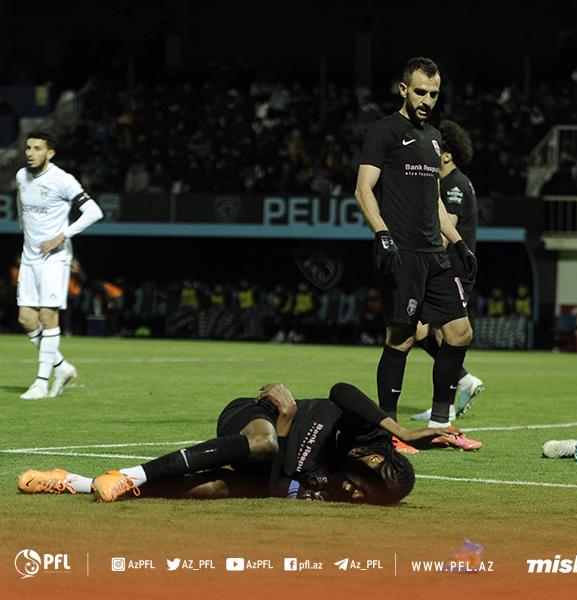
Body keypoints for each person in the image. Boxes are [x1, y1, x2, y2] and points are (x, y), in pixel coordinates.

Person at [18, 382, 456, 505]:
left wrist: (289, 421)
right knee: (263, 443)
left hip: (272, 440)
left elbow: (277, 482)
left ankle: (73, 481)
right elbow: (342, 390)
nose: (356, 495)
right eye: (366, 488)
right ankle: (128, 475)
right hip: (251, 416)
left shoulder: (337, 486)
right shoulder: (372, 434)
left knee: (214, 487)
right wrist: (401, 431)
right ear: (374, 459)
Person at [354, 57, 481, 451]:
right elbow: (363, 188)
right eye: (421, 92)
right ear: (404, 90)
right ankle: (388, 432)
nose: (427, 100)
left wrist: (458, 243)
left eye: (434, 94)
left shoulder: (434, 138)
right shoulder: (384, 131)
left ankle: (441, 424)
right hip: (401, 251)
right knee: (402, 339)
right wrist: (382, 233)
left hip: (434, 254)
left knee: (460, 332)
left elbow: (435, 203)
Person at [16, 130, 103, 399]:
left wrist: (62, 236)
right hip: (30, 257)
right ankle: (62, 367)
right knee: (26, 319)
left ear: (50, 153)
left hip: (55, 259)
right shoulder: (21, 176)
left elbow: (94, 212)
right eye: (28, 147)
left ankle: (41, 383)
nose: (30, 153)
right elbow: (22, 206)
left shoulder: (63, 180)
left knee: (47, 316)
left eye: (37, 148)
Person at [411, 120, 484, 422]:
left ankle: (447, 405)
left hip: (452, 271)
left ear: (448, 154)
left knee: (447, 335)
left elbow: (445, 230)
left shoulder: (455, 184)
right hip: (443, 270)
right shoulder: (446, 182)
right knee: (419, 331)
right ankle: (463, 380)